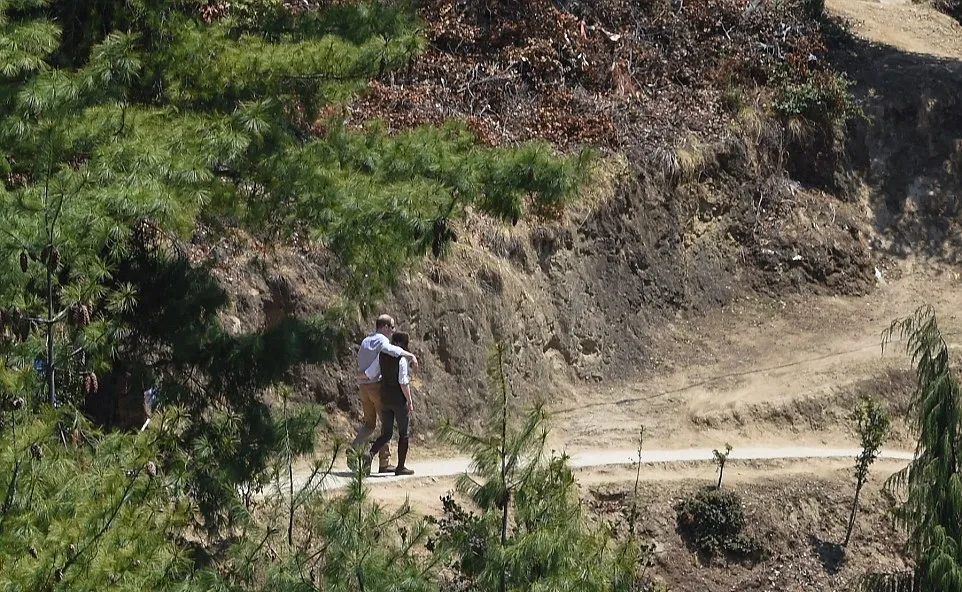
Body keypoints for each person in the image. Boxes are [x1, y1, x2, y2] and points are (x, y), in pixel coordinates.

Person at [349, 314, 418, 473]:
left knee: (369, 424)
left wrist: (360, 376)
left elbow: (363, 364)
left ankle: (354, 449)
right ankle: (384, 462)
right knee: (386, 427)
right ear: (385, 327)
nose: (393, 331)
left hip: (363, 386)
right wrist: (410, 355)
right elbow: (392, 351)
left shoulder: (365, 341)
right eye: (392, 327)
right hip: (377, 387)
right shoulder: (382, 342)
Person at [367, 331, 415, 476]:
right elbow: (403, 381)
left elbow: (372, 373)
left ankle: (369, 455)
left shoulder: (382, 355)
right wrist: (409, 401)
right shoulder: (401, 359)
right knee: (403, 434)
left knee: (387, 433)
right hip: (398, 400)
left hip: (385, 398)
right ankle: (401, 467)